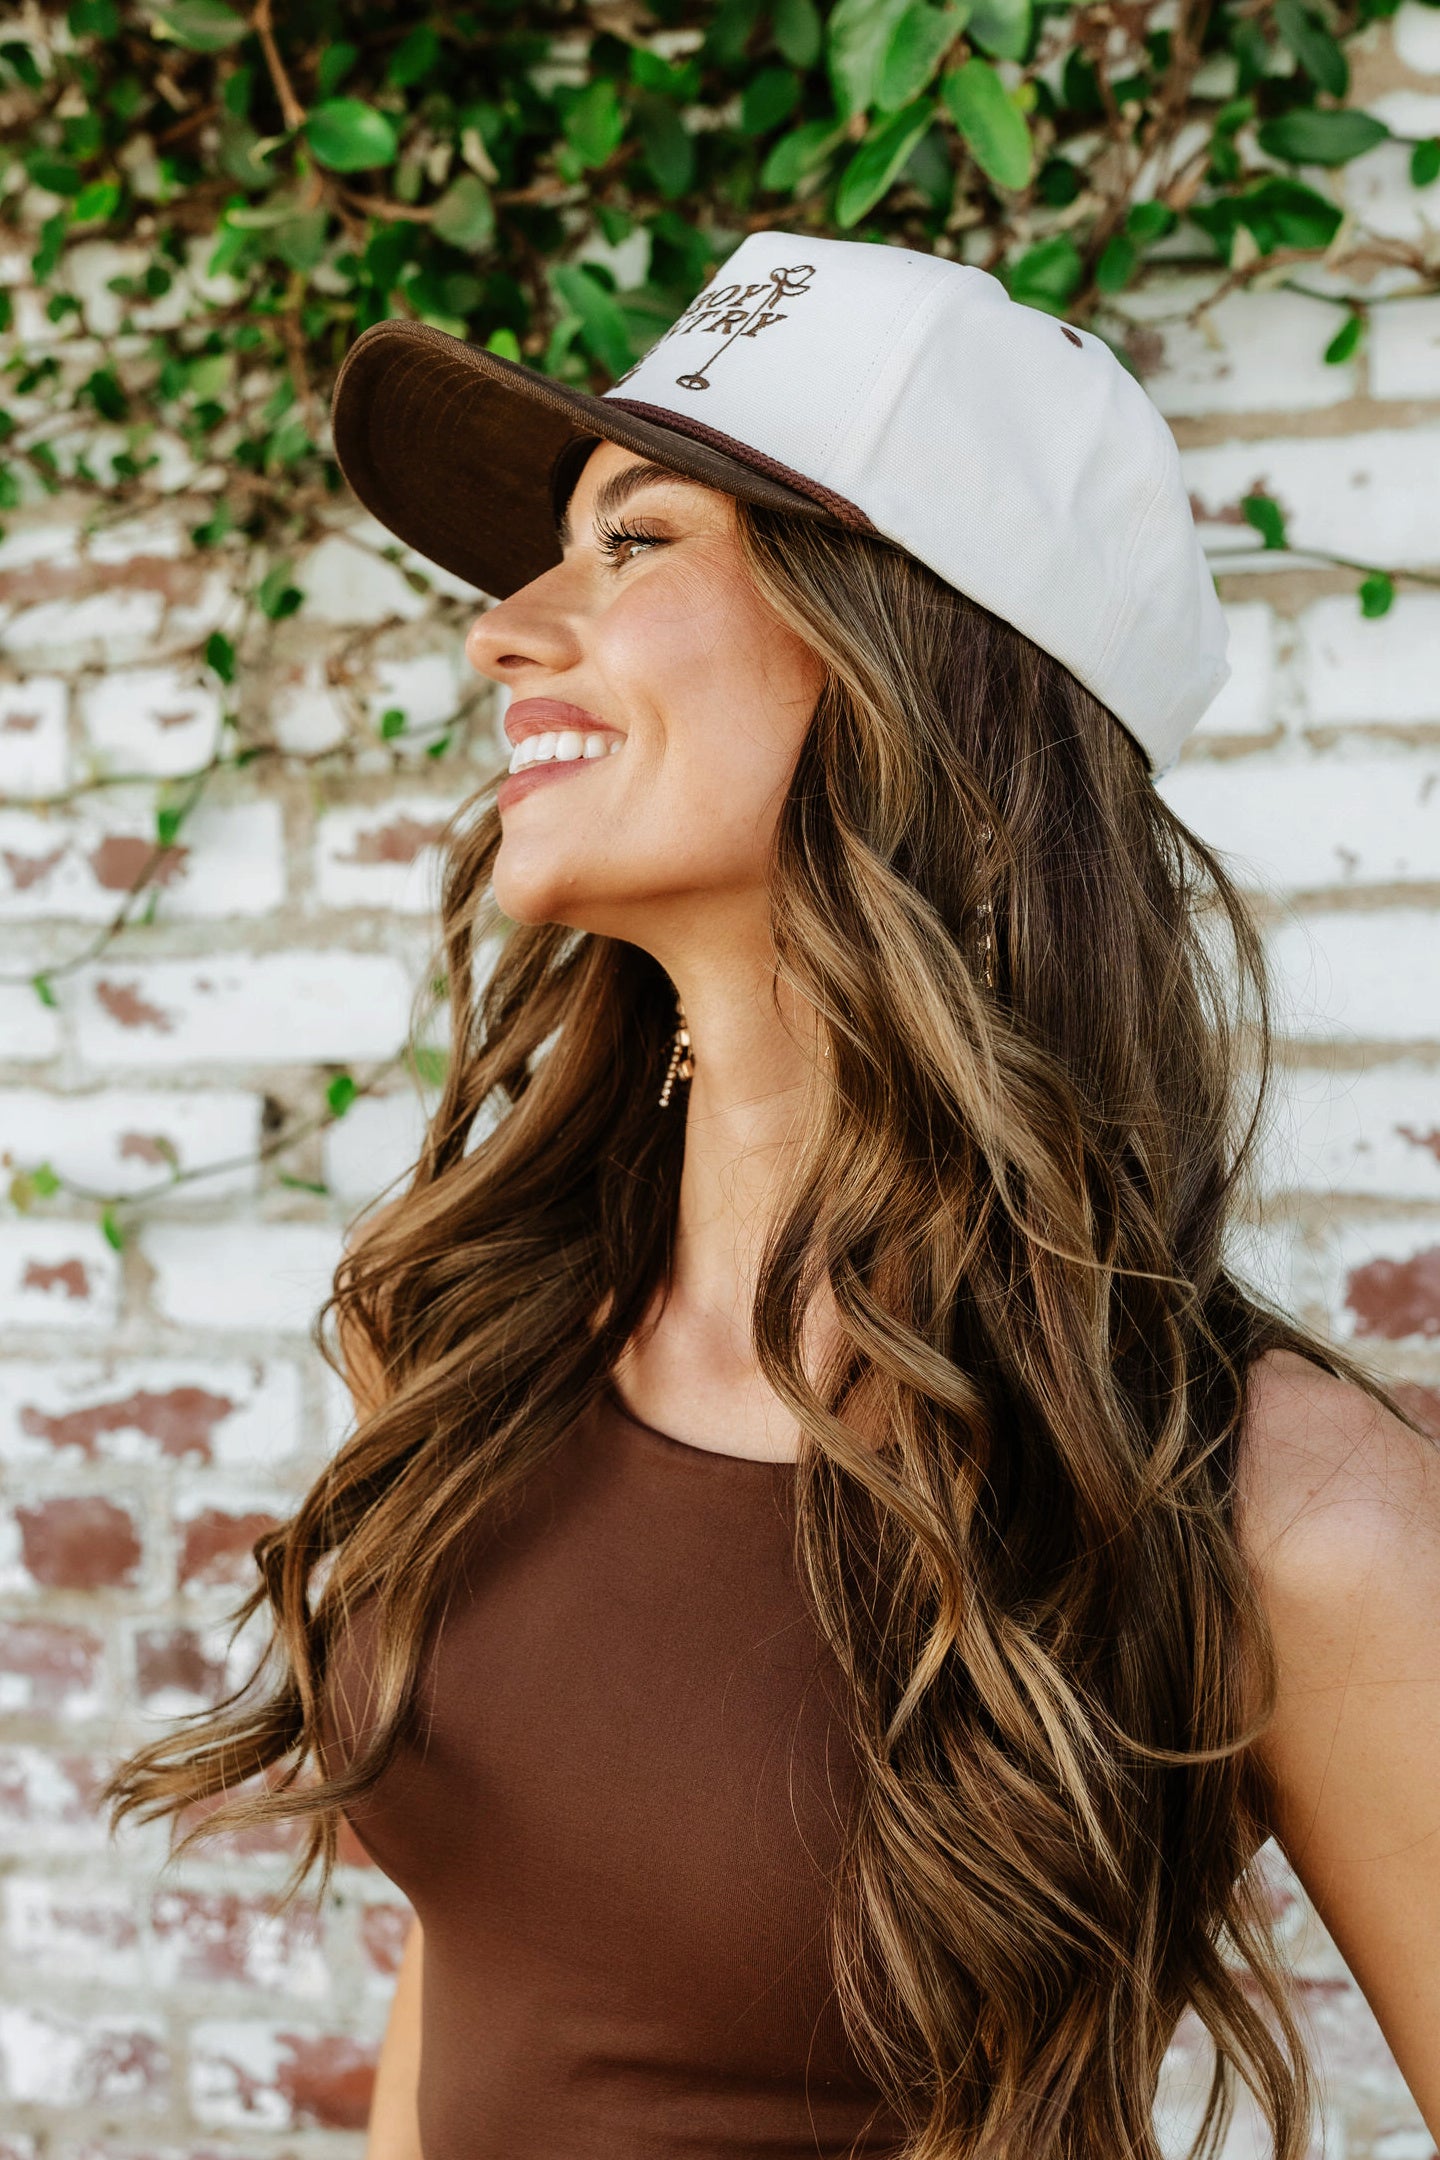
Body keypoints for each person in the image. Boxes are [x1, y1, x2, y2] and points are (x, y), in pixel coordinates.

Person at [107, 231, 1440, 2160]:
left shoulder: (1272, 1508)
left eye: (634, 543)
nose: (503, 630)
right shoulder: (486, 1339)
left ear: (917, 661)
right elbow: (486, 1982)